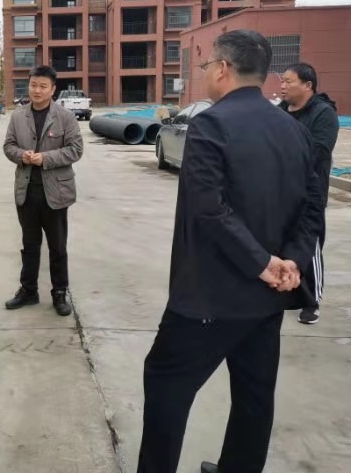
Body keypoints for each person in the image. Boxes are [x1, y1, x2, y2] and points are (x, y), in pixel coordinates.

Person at [137, 30, 324, 473]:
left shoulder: (211, 124)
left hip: (209, 297)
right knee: (254, 397)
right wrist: (291, 261)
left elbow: (208, 209)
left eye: (206, 67)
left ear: (222, 69)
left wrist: (262, 263)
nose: (206, 75)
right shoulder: (295, 131)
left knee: (166, 386)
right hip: (267, 300)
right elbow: (313, 207)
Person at [3, 65, 83, 316]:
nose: (37, 90)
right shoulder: (18, 116)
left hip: (56, 192)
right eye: (33, 85)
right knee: (29, 245)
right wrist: (22, 155)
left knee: (57, 247)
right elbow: (8, 146)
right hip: (26, 191)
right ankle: (29, 291)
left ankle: (59, 293)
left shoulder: (65, 117)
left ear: (53, 89)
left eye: (43, 86)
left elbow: (75, 149)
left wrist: (45, 158)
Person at [280, 62, 339, 325]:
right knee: (280, 242)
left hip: (309, 193)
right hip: (279, 191)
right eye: (282, 80)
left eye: (289, 81)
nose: (283, 86)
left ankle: (312, 300)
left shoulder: (323, 114)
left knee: (309, 245)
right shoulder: (280, 112)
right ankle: (285, 290)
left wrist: (279, 158)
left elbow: (318, 152)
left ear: (308, 85)